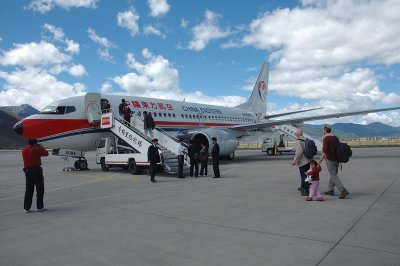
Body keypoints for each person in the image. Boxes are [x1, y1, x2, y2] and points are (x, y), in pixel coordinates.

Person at [319, 125, 350, 199]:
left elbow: (325, 150)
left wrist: (320, 160)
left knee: (333, 175)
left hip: (330, 159)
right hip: (337, 159)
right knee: (333, 174)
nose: (323, 131)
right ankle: (331, 190)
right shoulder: (335, 137)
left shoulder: (326, 139)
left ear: (325, 130)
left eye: (323, 130)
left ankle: (342, 190)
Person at [22, 139, 49, 213]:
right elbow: (46, 153)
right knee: (40, 189)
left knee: (29, 190)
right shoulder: (36, 149)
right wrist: (41, 147)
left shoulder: (24, 150)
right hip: (36, 170)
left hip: (27, 171)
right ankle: (39, 207)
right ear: (35, 143)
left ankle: (26, 208)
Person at [292, 130, 311, 196]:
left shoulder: (299, 141)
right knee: (307, 175)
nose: (295, 135)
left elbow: (299, 152)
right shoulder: (306, 140)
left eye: (296, 134)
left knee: (303, 176)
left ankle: (305, 190)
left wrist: (294, 161)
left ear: (298, 134)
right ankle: (303, 186)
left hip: (303, 161)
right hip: (308, 160)